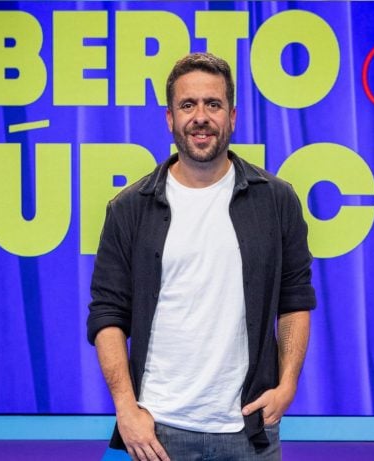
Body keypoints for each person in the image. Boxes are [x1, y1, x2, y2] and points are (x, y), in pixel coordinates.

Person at [87, 52, 316, 461]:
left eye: (213, 104)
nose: (201, 117)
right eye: (187, 105)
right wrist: (126, 409)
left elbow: (294, 301)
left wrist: (287, 385)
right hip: (157, 432)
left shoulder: (276, 200)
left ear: (233, 116)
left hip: (250, 431)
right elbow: (107, 315)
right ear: (170, 118)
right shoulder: (129, 208)